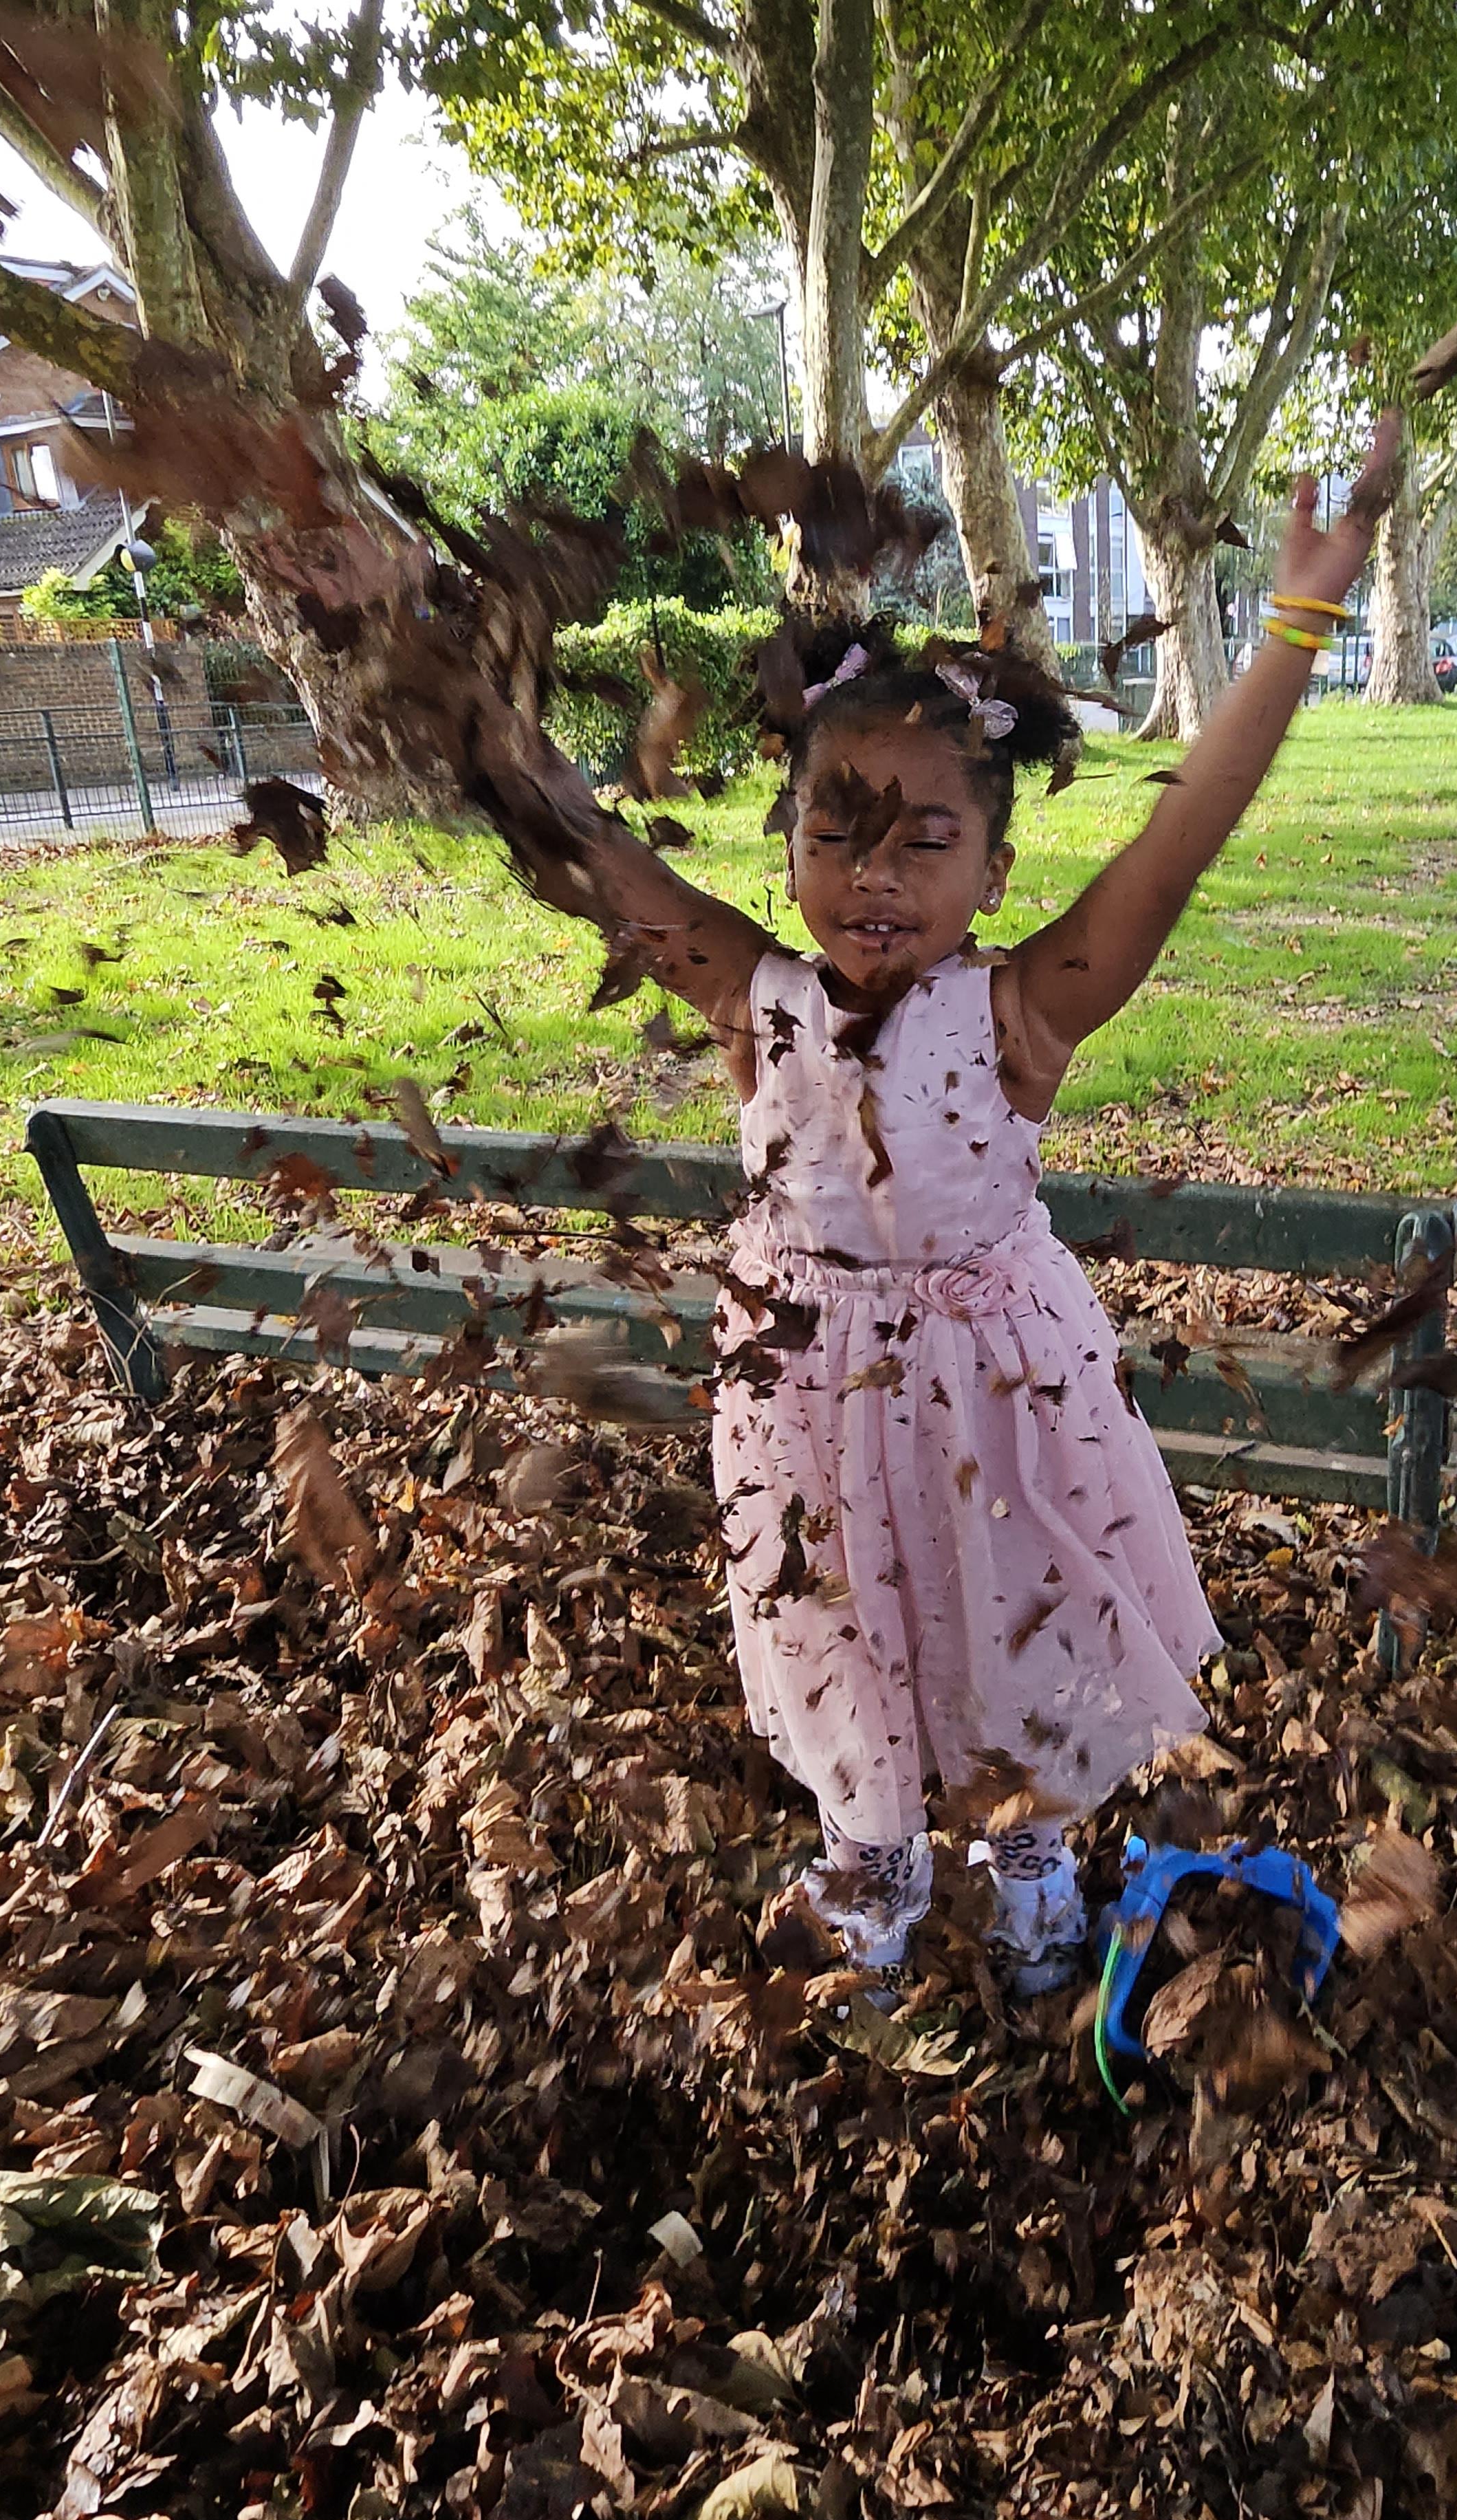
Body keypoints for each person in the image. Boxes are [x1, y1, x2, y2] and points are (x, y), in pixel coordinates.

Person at [593, 430, 1403, 1993]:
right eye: (834, 832)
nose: (874, 874)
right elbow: (585, 853)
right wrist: (444, 681)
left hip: (996, 1400)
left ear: (994, 865)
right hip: (808, 1399)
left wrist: (1300, 621)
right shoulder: (754, 998)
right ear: (786, 844)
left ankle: (1030, 1870)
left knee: (1013, 1619)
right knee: (844, 1618)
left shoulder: (1018, 1012)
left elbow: (1179, 838)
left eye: (926, 839)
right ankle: (875, 1856)